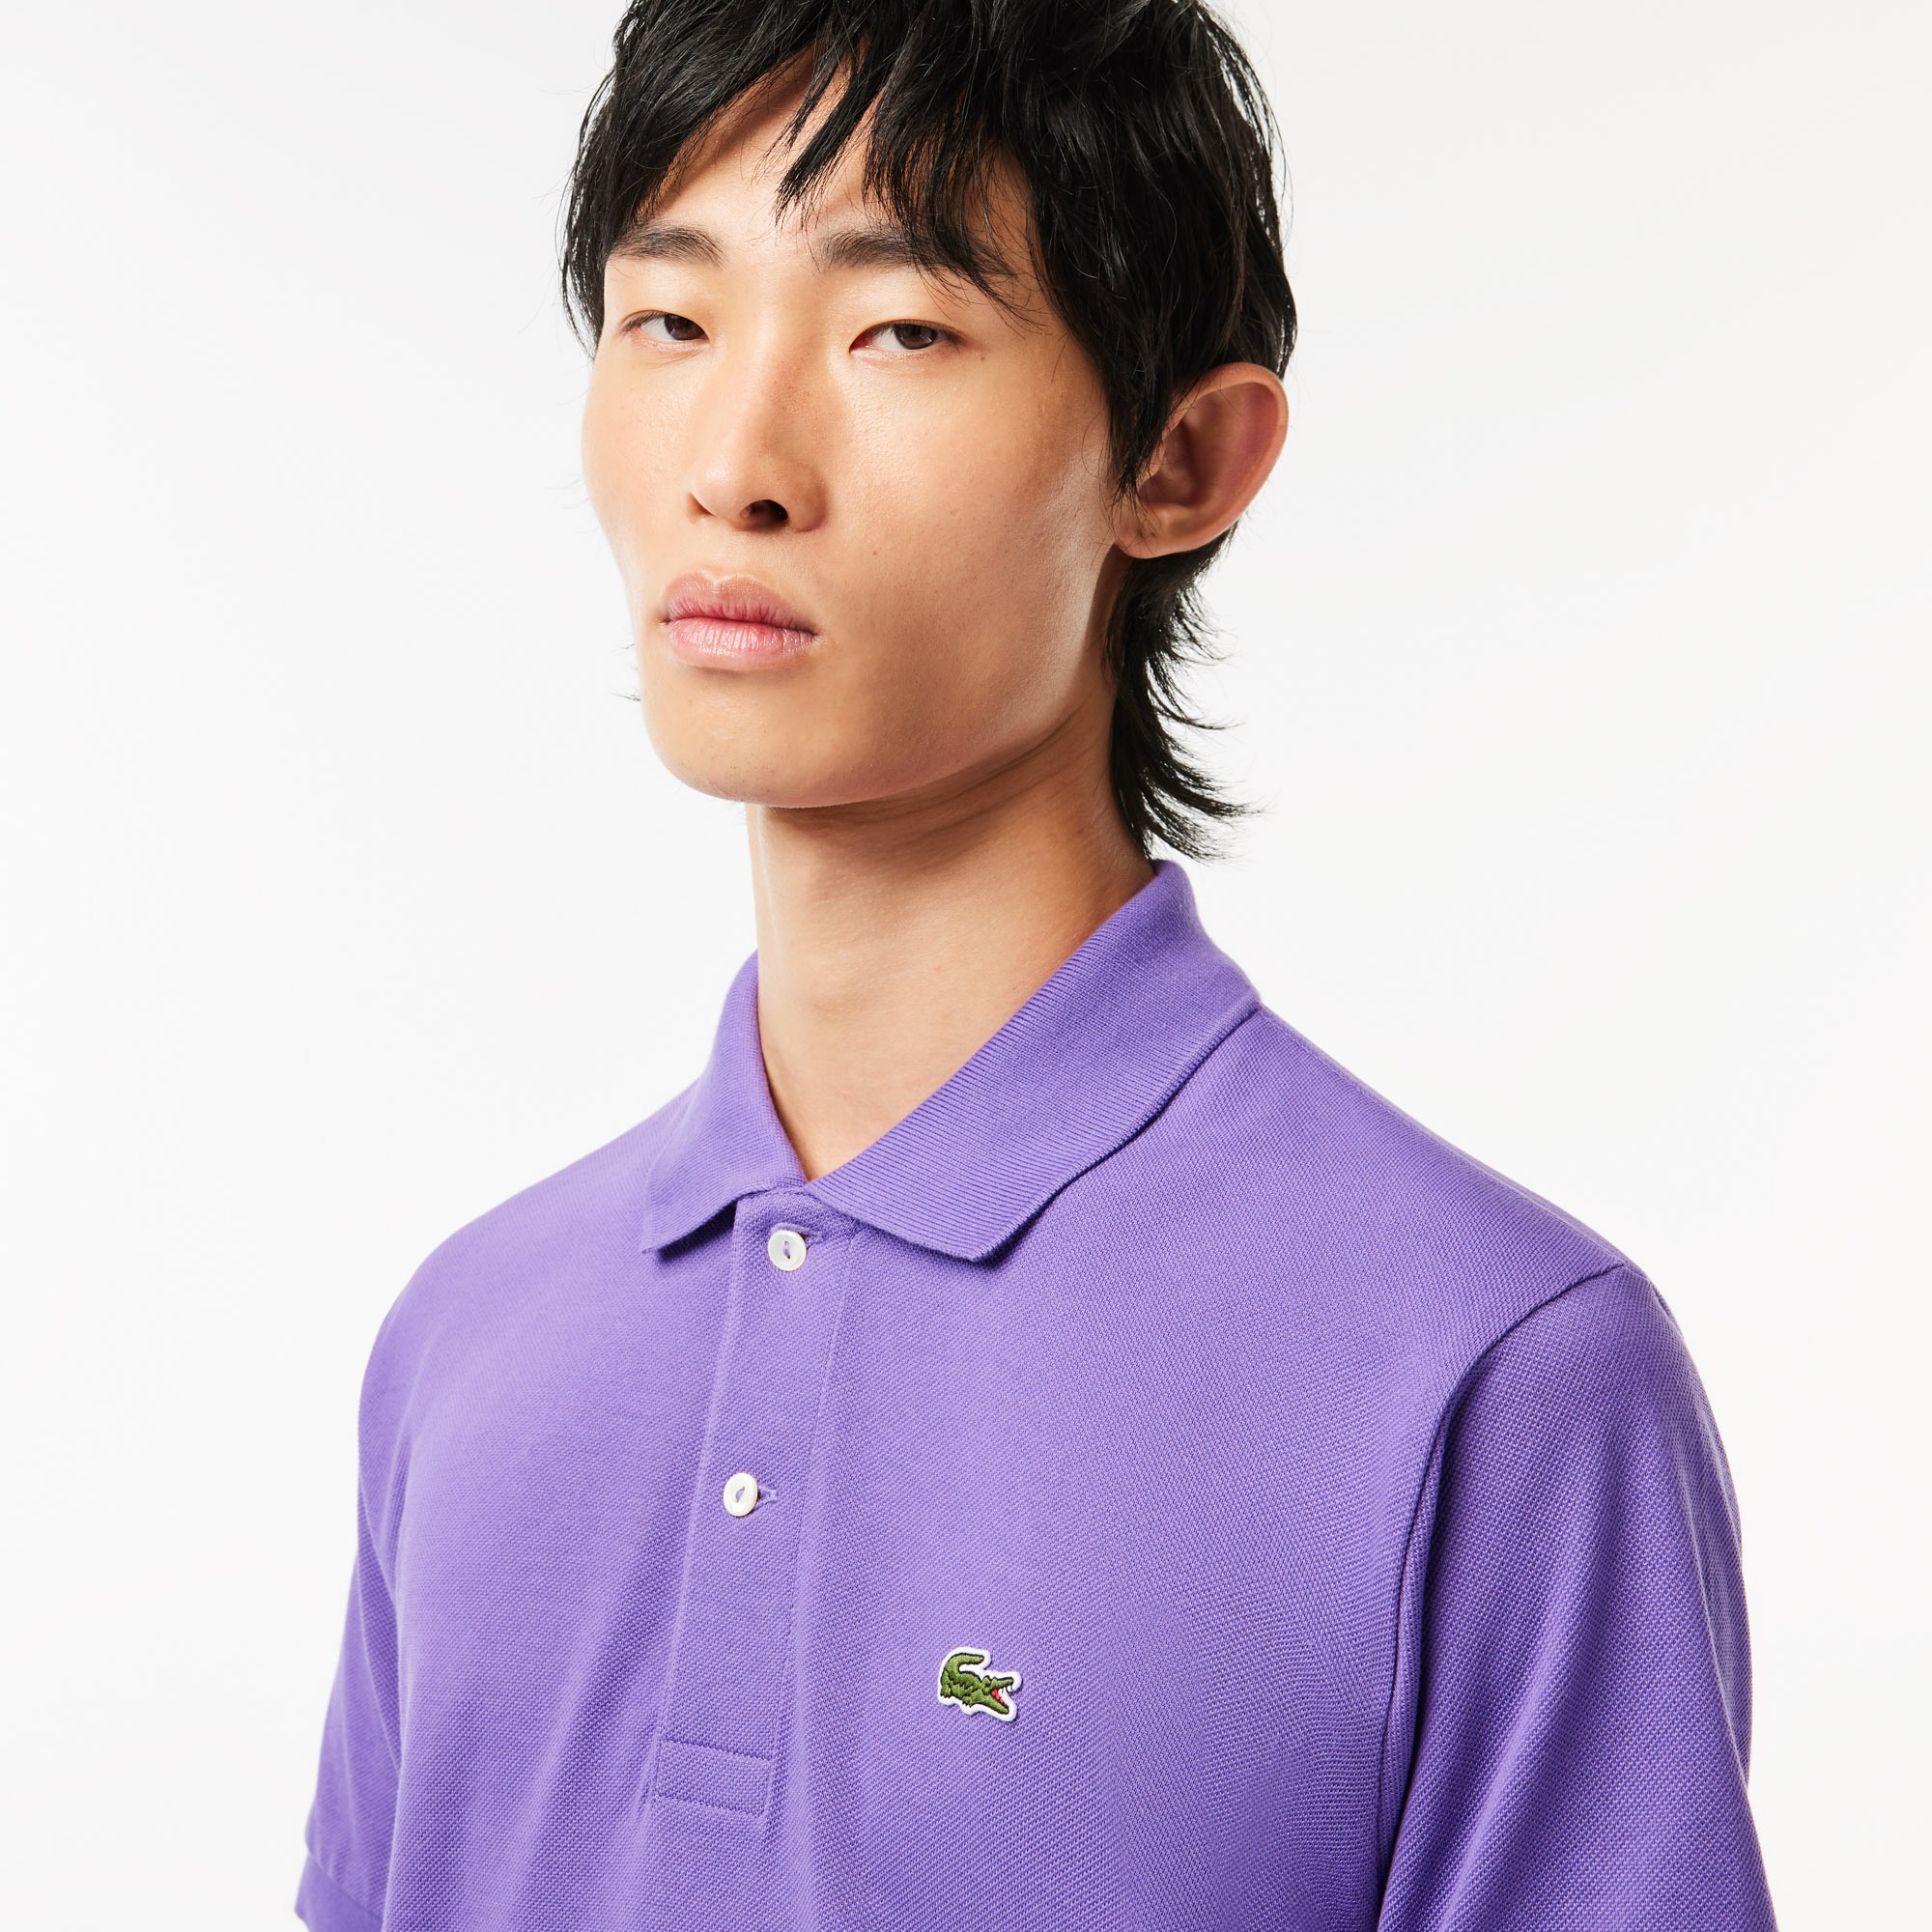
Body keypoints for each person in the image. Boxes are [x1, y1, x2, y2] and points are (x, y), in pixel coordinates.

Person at [295, 2, 1779, 1927]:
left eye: (898, 330)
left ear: (1181, 459)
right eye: (668, 319)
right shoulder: (469, 1340)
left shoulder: (1492, 1372)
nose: (733, 462)